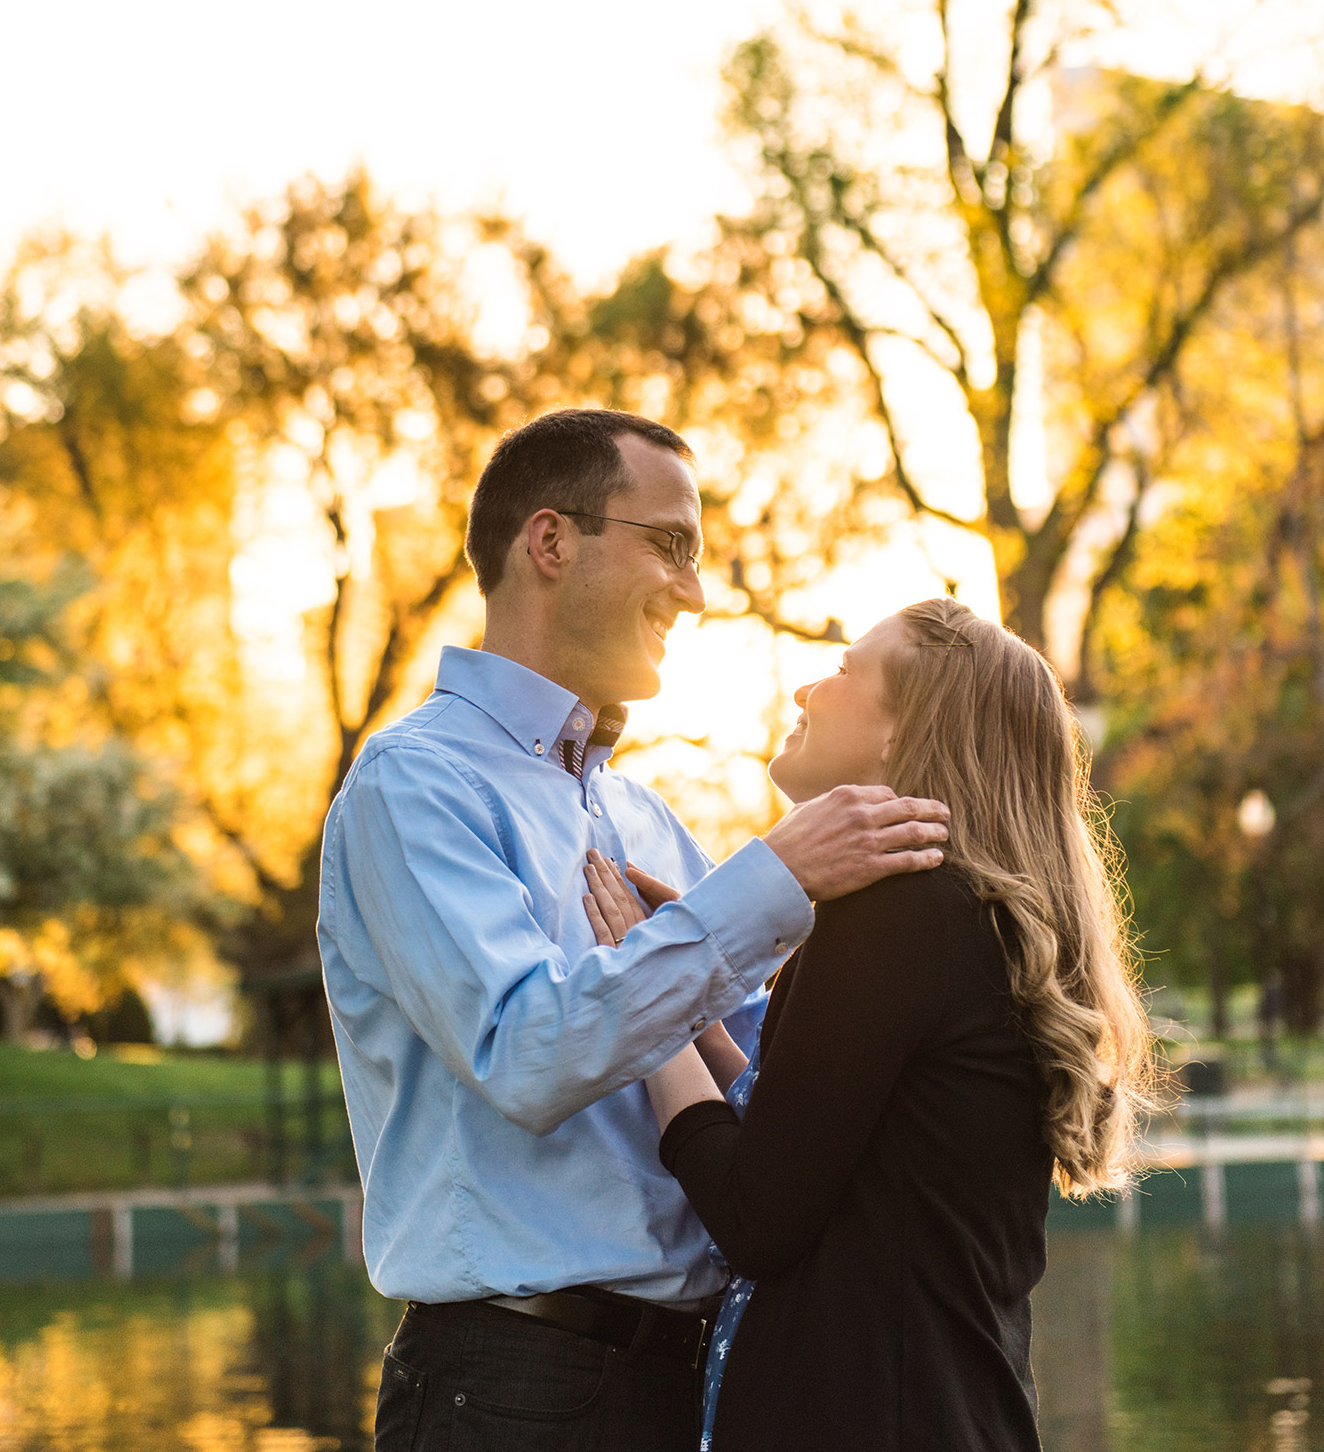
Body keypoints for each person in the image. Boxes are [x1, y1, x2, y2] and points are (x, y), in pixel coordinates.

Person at [317, 409, 950, 1452]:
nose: (695, 592)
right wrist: (773, 878)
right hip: (511, 1389)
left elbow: (757, 1082)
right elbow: (523, 1053)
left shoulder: (643, 814)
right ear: (551, 540)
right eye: (672, 545)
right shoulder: (414, 783)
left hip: (685, 1380)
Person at [584, 595, 1155, 1452]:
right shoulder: (964, 915)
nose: (805, 690)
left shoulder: (895, 916)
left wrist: (647, 994)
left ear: (903, 731)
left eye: (846, 669)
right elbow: (827, 1137)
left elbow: (755, 1217)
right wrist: (692, 990)